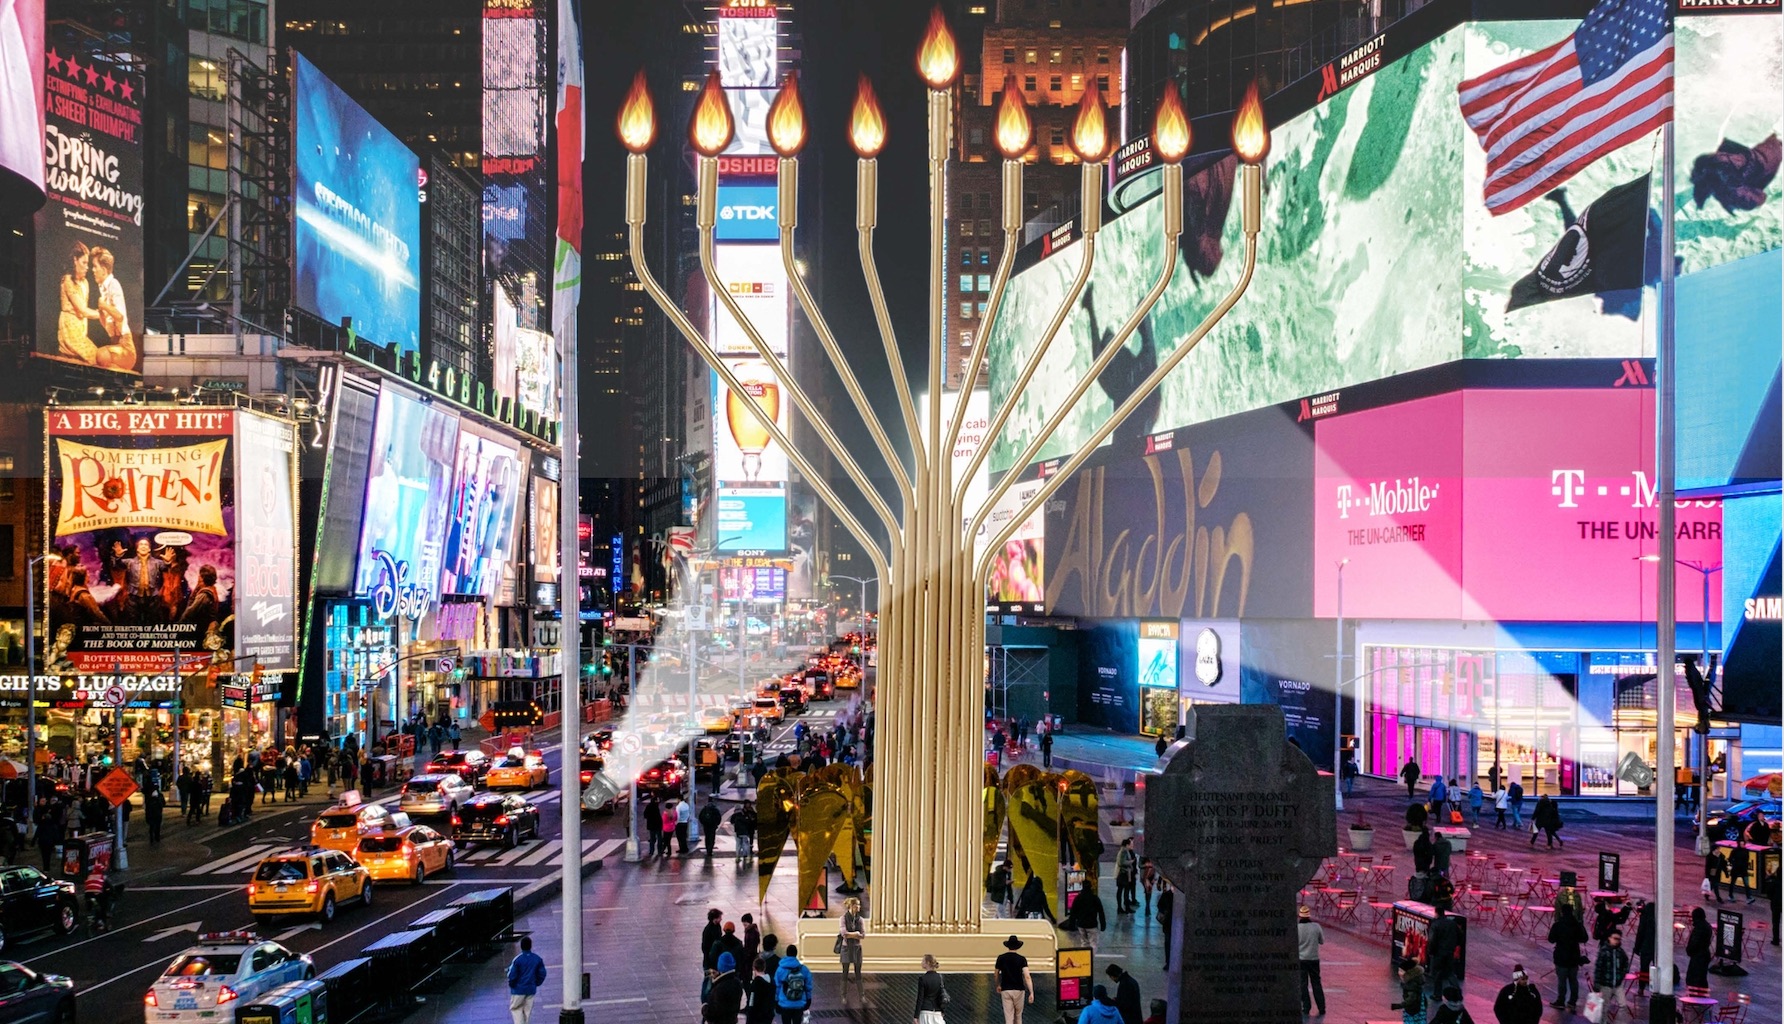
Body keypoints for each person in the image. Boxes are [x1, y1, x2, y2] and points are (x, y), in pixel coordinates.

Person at [1548, 903, 1588, 1011]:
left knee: (1562, 981)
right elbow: (1584, 938)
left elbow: (1551, 939)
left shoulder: (1558, 925)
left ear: (1562, 912)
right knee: (1573, 980)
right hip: (1574, 956)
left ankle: (1561, 1001)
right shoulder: (1577, 924)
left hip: (1561, 956)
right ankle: (1572, 1002)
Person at [506, 934, 547, 1024]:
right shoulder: (537, 959)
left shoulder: (517, 960)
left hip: (518, 989)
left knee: (516, 1008)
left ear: (521, 947)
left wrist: (512, 983)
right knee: (527, 1011)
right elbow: (542, 973)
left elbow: (512, 974)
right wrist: (537, 982)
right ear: (530, 946)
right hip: (531, 988)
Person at [993, 934, 1032, 1024]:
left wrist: (998, 985)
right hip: (1019, 990)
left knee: (1009, 1018)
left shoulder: (1001, 958)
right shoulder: (1022, 959)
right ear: (1017, 946)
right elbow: (1027, 976)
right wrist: (1031, 992)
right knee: (1018, 1017)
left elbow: (996, 974)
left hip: (1006, 989)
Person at [1298, 904, 1326, 1016]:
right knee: (1316, 983)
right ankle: (1321, 1007)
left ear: (1300, 916)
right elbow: (1322, 941)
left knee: (1303, 984)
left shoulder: (1297, 928)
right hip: (1314, 959)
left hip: (1301, 959)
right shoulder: (1316, 926)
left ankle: (1306, 1007)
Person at [772, 944, 812, 1024]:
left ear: (787, 953)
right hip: (799, 1003)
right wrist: (808, 999)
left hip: (784, 1003)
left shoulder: (780, 969)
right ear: (796, 954)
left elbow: (777, 986)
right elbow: (808, 986)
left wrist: (776, 1000)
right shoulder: (803, 969)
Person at [1429, 903, 1464, 995]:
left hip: (1439, 953)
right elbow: (1460, 936)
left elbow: (1432, 940)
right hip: (1449, 952)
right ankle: (1458, 990)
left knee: (1437, 974)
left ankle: (1437, 994)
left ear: (1436, 913)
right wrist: (1454, 945)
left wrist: (1431, 951)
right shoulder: (1452, 923)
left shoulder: (1435, 924)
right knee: (1449, 972)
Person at [1066, 880, 1106, 951]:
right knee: (1093, 944)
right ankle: (1091, 959)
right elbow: (1101, 912)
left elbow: (1073, 912)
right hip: (1092, 924)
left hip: (1081, 924)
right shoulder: (1095, 898)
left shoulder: (1078, 898)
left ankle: (1085, 959)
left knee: (1084, 943)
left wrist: (1071, 924)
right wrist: (1103, 924)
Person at [1592, 930, 1629, 1004]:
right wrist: (1597, 983)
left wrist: (1622, 975)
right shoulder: (1604, 951)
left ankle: (1620, 1015)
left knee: (1623, 1004)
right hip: (1606, 984)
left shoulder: (1620, 952)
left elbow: (1625, 963)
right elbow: (1598, 968)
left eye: (1619, 939)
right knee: (1604, 1006)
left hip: (1617, 984)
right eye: (1615, 938)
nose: (1617, 941)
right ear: (1609, 938)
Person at [706, 951, 744, 1024]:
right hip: (732, 1020)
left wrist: (704, 1008)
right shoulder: (737, 983)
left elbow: (712, 1012)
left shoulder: (719, 988)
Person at [913, 953, 948, 1024]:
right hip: (937, 1012)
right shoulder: (939, 977)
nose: (921, 963)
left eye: (923, 961)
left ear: (927, 963)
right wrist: (942, 1010)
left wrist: (916, 1016)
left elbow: (920, 998)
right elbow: (941, 994)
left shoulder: (923, 979)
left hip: (925, 1012)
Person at [837, 896, 866, 982]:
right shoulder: (843, 918)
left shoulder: (860, 919)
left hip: (857, 947)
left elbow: (863, 935)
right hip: (846, 947)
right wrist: (856, 934)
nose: (859, 907)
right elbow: (844, 934)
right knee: (845, 971)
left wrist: (852, 935)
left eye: (859, 905)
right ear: (852, 906)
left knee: (858, 971)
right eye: (857, 905)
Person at [1684, 906, 1712, 989]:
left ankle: (1696, 996)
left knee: (1694, 978)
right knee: (1701, 978)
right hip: (1703, 955)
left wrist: (1689, 950)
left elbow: (1695, 942)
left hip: (1698, 956)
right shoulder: (1706, 926)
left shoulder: (1700, 928)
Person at [745, 955, 778, 1024]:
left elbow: (752, 1001)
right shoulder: (772, 981)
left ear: (754, 968)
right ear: (764, 967)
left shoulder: (755, 983)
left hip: (756, 1017)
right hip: (768, 1015)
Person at [1115, 838, 1138, 913]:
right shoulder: (1124, 851)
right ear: (1127, 845)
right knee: (1125, 891)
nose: (1131, 845)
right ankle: (1124, 907)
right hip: (1123, 875)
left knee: (1122, 891)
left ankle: (1122, 907)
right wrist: (1130, 862)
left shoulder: (1124, 851)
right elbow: (1121, 862)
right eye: (1130, 844)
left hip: (1123, 874)